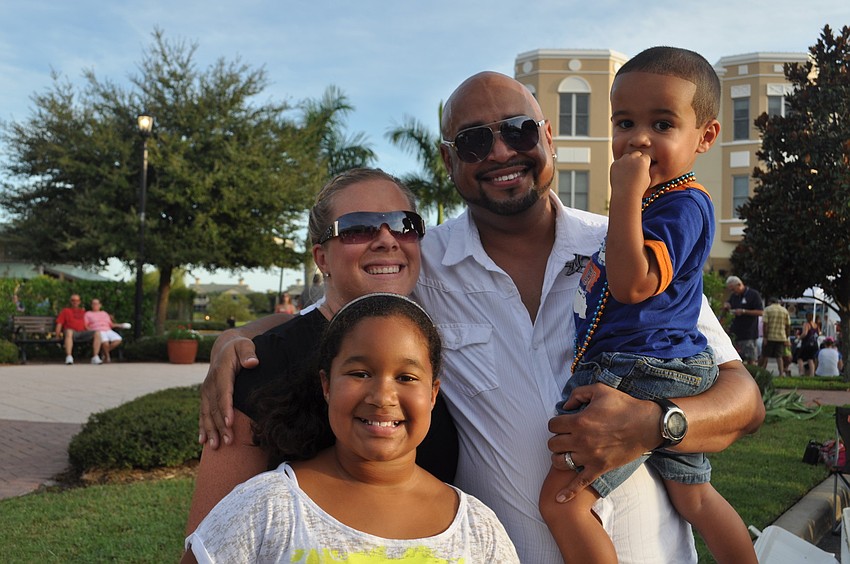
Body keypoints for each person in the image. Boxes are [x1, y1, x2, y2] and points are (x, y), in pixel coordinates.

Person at [199, 72, 764, 563]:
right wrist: (238, 336)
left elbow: (743, 399)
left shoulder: (624, 244)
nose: (499, 152)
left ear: (548, 139)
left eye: (518, 130)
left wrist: (654, 424)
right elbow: (336, 311)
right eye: (472, 142)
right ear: (449, 161)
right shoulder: (424, 268)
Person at [539, 47, 755, 564]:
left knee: (561, 505)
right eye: (625, 121)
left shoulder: (682, 205)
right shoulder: (662, 204)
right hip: (658, 362)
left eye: (662, 123)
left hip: (636, 369)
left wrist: (625, 196)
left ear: (705, 136)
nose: (638, 138)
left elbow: (634, 284)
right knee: (694, 496)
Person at [184, 168, 458, 536]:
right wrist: (231, 339)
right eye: (358, 228)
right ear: (322, 259)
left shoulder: (433, 342)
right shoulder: (259, 368)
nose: (385, 239)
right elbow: (210, 538)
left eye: (402, 224)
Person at [183, 293, 518, 563]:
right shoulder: (266, 507)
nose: (382, 396)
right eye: (360, 373)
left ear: (433, 393)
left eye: (406, 377)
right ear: (326, 386)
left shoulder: (477, 529)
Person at [723, 276, 764, 363]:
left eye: (733, 289)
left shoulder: (753, 294)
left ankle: (751, 375)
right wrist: (727, 305)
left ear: (739, 285)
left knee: (750, 357)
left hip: (748, 333)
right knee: (736, 358)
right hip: (735, 332)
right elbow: (729, 304)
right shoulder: (734, 296)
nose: (733, 292)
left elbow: (761, 312)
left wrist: (744, 311)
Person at [55, 293, 102, 365]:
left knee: (97, 333)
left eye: (77, 300)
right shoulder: (65, 311)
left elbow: (87, 324)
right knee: (69, 331)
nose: (75, 302)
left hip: (83, 332)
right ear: (70, 301)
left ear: (79, 302)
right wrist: (57, 336)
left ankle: (95, 357)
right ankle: (69, 357)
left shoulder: (83, 312)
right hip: (71, 333)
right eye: (73, 300)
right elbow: (59, 323)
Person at [83, 298, 123, 363]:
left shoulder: (104, 313)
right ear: (91, 305)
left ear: (100, 305)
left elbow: (111, 324)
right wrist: (89, 331)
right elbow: (86, 325)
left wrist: (120, 325)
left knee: (118, 339)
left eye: (97, 304)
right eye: (94, 304)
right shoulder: (88, 314)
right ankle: (107, 356)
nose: (95, 305)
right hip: (97, 330)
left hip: (107, 329)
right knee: (105, 342)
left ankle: (104, 352)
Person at [759, 297, 792, 375]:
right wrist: (786, 337)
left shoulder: (767, 309)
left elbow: (765, 325)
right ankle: (781, 373)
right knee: (779, 356)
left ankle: (760, 371)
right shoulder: (784, 310)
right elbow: (788, 326)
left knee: (765, 355)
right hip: (781, 337)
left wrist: (765, 337)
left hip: (770, 336)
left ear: (770, 302)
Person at [799, 312, 821, 376]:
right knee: (810, 359)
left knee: (799, 358)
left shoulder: (806, 324)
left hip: (807, 344)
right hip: (814, 344)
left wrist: (799, 338)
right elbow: (819, 333)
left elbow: (805, 333)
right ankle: (812, 374)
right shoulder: (816, 325)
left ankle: (801, 372)